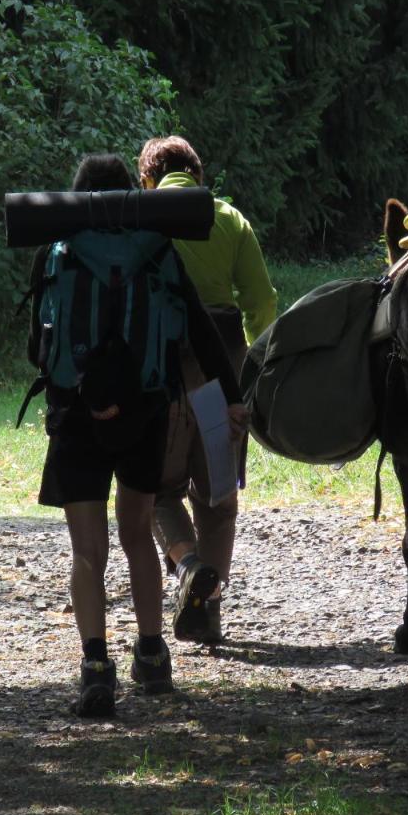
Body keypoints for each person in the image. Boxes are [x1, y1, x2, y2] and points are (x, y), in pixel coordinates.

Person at [28, 153, 247, 716]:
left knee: (87, 551)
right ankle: (152, 654)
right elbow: (197, 328)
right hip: (147, 410)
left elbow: (37, 348)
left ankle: (95, 667)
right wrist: (233, 394)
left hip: (76, 413)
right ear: (132, 195)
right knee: (135, 536)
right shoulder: (158, 251)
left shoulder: (58, 250)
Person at [137, 136, 278, 645]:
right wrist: (257, 369)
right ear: (197, 174)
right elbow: (261, 303)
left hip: (161, 371)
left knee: (155, 489)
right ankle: (209, 612)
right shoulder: (231, 220)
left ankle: (189, 564)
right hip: (225, 367)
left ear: (148, 178)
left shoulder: (141, 214)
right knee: (218, 497)